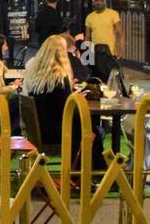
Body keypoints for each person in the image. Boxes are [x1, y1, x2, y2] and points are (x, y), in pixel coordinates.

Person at [22, 34, 104, 167]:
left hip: (41, 131)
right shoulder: (59, 77)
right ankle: (93, 175)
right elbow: (70, 110)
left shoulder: (36, 75)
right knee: (96, 131)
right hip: (59, 132)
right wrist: (76, 98)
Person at [84, 0, 123, 81]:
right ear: (93, 2)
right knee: (97, 79)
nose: (99, 2)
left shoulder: (113, 14)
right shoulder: (89, 17)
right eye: (96, 0)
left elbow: (121, 33)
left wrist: (120, 51)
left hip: (110, 53)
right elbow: (87, 36)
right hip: (95, 53)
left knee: (110, 80)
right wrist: (87, 52)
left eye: (101, 0)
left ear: (105, 2)